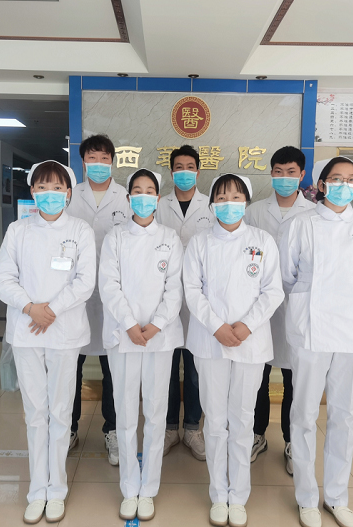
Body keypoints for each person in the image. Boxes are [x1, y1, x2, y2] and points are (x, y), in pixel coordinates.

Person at [280, 157, 353, 527]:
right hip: (311, 330)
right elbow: (287, 275)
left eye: (351, 179)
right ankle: (306, 498)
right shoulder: (301, 224)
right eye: (337, 178)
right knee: (304, 414)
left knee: (344, 415)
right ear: (322, 184)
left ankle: (336, 497)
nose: (345, 185)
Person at [0, 160, 96, 524]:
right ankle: (38, 489)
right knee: (35, 412)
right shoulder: (18, 230)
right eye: (41, 187)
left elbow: (85, 281)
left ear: (68, 192)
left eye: (56, 187)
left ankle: (57, 490)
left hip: (64, 331)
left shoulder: (81, 230)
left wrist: (50, 310)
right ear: (32, 192)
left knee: (60, 411)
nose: (49, 193)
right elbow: (2, 277)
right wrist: (30, 308)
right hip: (26, 331)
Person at [183, 174, 285, 527]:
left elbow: (273, 291)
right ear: (212, 204)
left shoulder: (262, 241)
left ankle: (238, 496)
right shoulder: (199, 242)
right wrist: (217, 327)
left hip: (250, 342)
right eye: (222, 197)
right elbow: (192, 289)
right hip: (209, 341)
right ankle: (218, 494)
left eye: (236, 196)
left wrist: (246, 326)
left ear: (246, 202)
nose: (229, 203)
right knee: (215, 420)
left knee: (242, 421)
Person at [99, 169, 184, 522]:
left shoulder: (170, 238)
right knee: (124, 414)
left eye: (150, 191)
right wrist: (131, 325)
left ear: (158, 198)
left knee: (156, 413)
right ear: (129, 197)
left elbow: (175, 288)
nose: (144, 196)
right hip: (124, 336)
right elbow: (108, 285)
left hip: (159, 338)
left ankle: (148, 489)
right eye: (138, 190)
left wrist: (156, 325)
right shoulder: (115, 237)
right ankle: (128, 487)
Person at [243, 146, 316, 470]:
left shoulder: (314, 213)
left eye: (291, 172)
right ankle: (257, 434)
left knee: (293, 378)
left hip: (295, 306)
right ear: (271, 173)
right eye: (278, 172)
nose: (284, 178)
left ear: (302, 175)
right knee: (256, 376)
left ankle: (290, 440)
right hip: (257, 306)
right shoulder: (255, 211)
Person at [66, 134, 129, 466]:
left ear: (113, 162)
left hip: (113, 294)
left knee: (112, 366)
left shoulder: (126, 197)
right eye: (93, 157)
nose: (99, 164)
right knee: (71, 365)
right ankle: (69, 427)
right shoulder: (69, 195)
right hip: (73, 293)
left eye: (105, 158)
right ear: (83, 162)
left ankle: (113, 429)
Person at [155, 145, 213, 461]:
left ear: (198, 171)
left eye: (190, 167)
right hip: (162, 297)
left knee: (193, 368)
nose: (185, 172)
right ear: (171, 171)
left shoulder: (210, 206)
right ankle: (168, 428)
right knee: (166, 366)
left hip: (197, 299)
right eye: (179, 167)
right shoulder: (158, 205)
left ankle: (192, 428)